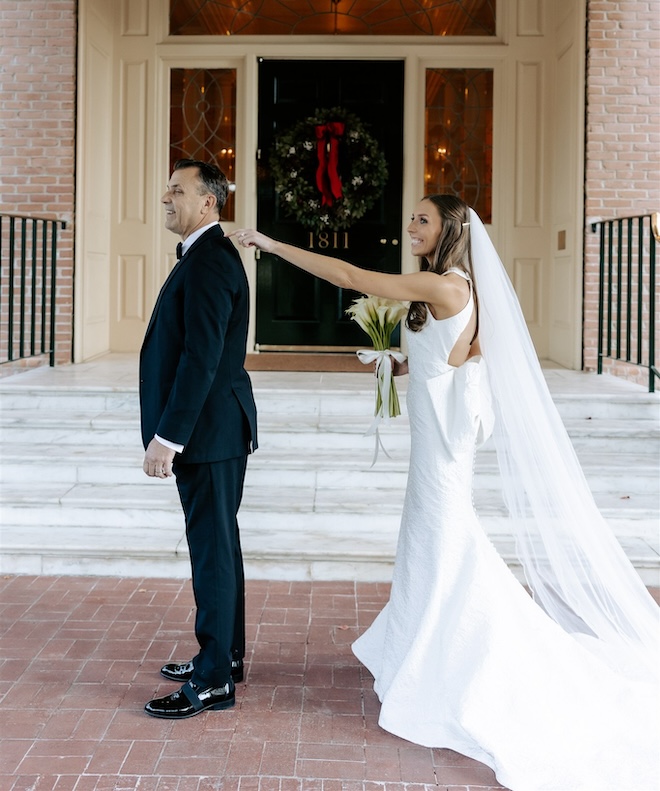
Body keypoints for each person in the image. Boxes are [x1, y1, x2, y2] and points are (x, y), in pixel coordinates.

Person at [230, 195, 659, 791]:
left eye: (423, 220)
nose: (411, 225)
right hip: (435, 444)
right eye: (411, 216)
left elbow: (350, 276)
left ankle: (457, 659)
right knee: (433, 544)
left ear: (451, 230)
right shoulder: (455, 289)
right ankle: (429, 647)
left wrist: (272, 245)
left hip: (441, 453)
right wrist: (404, 367)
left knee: (446, 542)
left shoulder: (446, 287)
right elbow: (459, 355)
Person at [140, 159, 257, 719]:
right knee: (219, 545)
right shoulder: (204, 254)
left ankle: (213, 681)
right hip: (215, 430)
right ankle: (225, 656)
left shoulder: (209, 260)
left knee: (212, 552)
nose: (167, 197)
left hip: (207, 432)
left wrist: (168, 436)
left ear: (208, 201)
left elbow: (201, 357)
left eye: (177, 190)